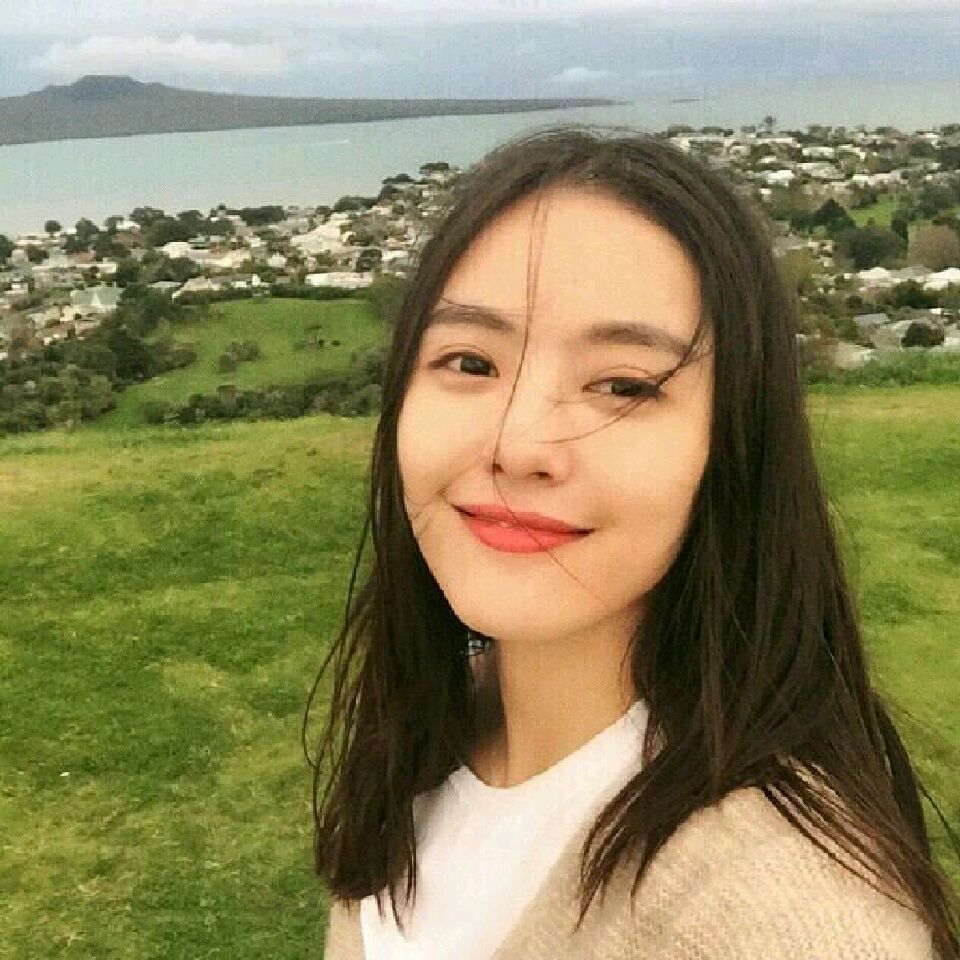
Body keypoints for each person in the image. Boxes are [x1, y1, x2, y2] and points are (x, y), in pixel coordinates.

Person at [305, 124, 959, 959]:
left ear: (732, 445)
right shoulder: (426, 733)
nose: (516, 445)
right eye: (470, 363)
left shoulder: (785, 921)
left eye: (622, 384)